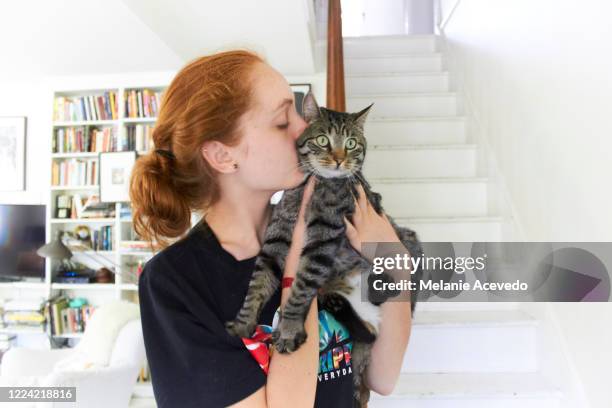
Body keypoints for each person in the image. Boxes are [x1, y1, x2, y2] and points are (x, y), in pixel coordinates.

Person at [130, 49, 413, 408]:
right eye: (283, 121)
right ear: (222, 156)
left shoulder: (331, 228)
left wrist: (397, 264)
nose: (304, 128)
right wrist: (301, 261)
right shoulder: (174, 282)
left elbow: (382, 377)